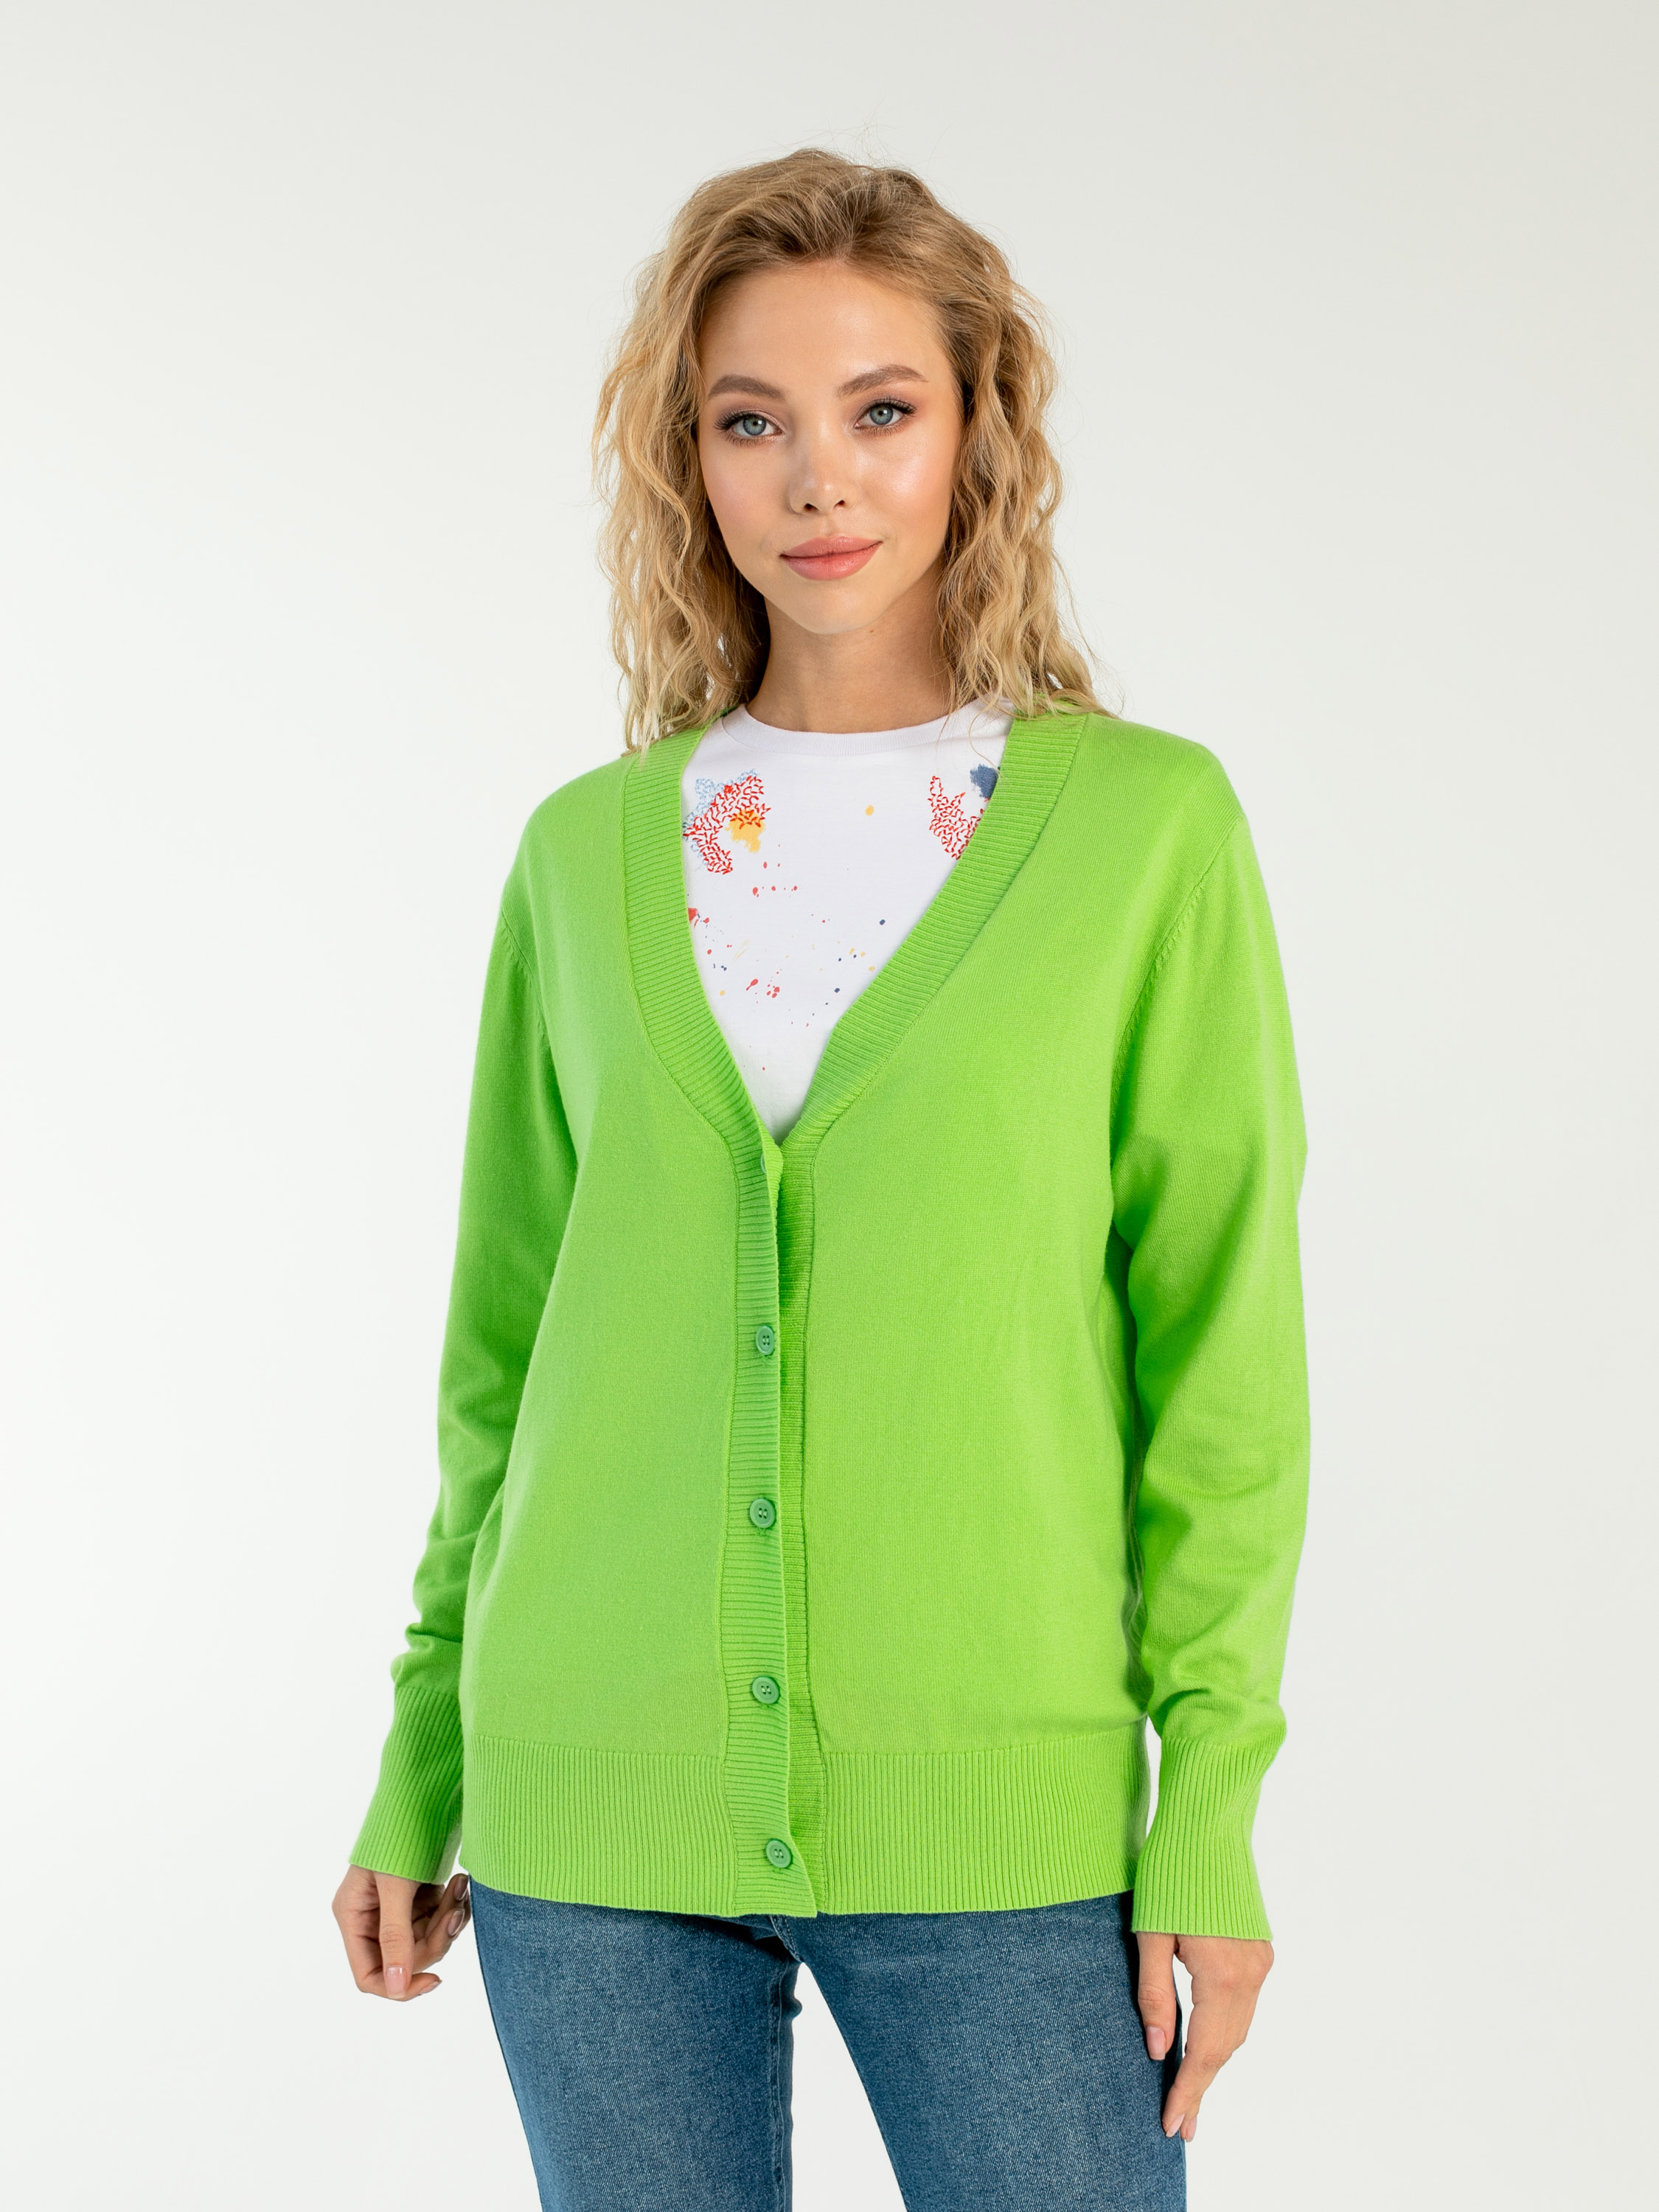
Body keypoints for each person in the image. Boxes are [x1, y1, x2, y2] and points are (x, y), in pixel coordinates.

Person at [333, 147, 1310, 2212]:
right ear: (685, 461)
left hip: (1004, 1821)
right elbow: (503, 1360)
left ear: (979, 431)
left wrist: (1210, 1809)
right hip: (589, 1805)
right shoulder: (583, 854)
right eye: (748, 421)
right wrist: (424, 1756)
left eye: (880, 409)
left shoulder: (1144, 833)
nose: (818, 479)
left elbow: (1220, 1360)